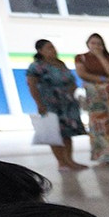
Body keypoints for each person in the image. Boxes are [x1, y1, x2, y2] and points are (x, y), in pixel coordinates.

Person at [26, 39, 88, 171]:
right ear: (40, 51)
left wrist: (73, 91)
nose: (53, 50)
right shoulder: (36, 67)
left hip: (67, 104)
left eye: (53, 47)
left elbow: (71, 81)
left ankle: (70, 160)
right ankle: (62, 162)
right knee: (54, 133)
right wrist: (39, 103)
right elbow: (32, 85)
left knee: (67, 133)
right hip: (50, 104)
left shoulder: (60, 64)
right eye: (49, 48)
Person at [75, 34, 109, 166]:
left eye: (99, 43)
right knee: (99, 125)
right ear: (88, 44)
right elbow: (82, 74)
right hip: (95, 98)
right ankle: (103, 154)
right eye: (93, 43)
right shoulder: (81, 58)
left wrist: (101, 57)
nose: (96, 46)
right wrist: (103, 80)